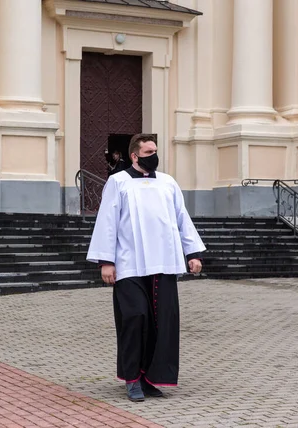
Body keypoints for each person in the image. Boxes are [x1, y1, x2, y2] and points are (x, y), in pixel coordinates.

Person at [87, 134, 205, 402]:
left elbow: (181, 218)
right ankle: (132, 379)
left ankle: (151, 377)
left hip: (163, 263)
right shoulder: (118, 182)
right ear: (135, 155)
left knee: (161, 323)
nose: (154, 154)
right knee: (135, 317)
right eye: (149, 150)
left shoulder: (168, 182)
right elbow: (107, 221)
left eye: (155, 149)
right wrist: (106, 261)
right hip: (129, 263)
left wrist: (193, 252)